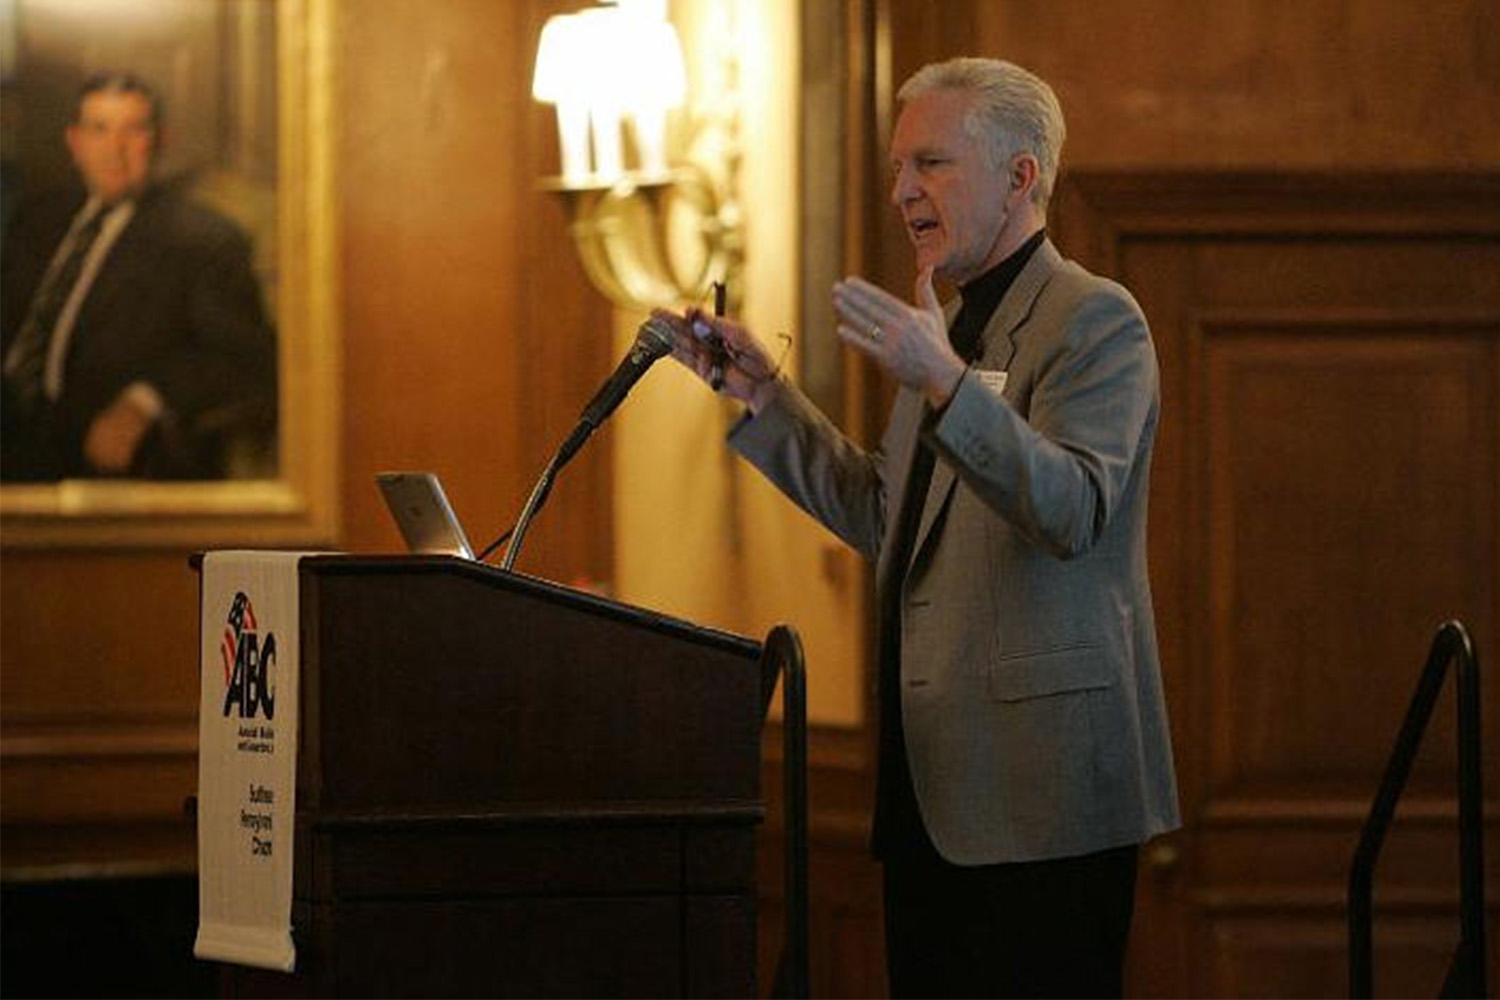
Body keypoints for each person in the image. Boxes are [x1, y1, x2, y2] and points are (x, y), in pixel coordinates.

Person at [659, 57, 1179, 997]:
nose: (903, 192)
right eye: (902, 168)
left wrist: (939, 380)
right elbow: (887, 514)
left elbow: (1073, 511)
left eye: (932, 164)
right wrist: (765, 398)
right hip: (932, 790)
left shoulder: (1095, 321)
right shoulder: (943, 323)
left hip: (1042, 805)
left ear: (1021, 177)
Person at [1, 71, 276, 481]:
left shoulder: (203, 239)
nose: (115, 150)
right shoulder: (39, 218)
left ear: (159, 141)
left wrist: (144, 400)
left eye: (134, 130)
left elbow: (243, 359)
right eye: (99, 130)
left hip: (84, 458)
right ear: (75, 143)